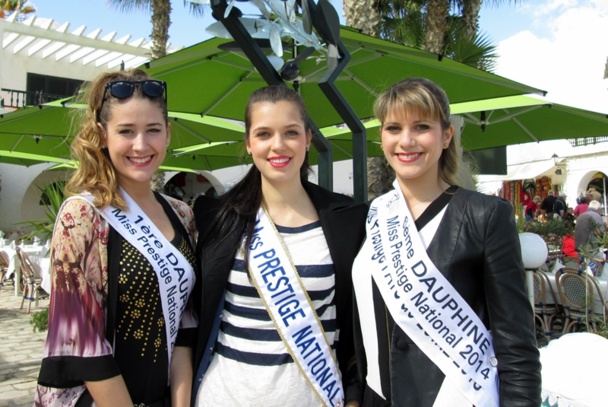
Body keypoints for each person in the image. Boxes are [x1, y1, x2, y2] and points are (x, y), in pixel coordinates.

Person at [351, 78, 541, 406]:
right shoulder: (372, 217)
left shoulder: (485, 216)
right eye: (393, 128)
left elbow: (516, 345)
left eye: (421, 127)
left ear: (446, 135)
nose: (406, 141)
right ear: (381, 138)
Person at [192, 85, 367, 407]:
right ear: (248, 143)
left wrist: (354, 395)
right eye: (263, 134)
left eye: (290, 132)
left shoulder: (349, 219)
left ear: (308, 138)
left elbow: (361, 327)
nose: (278, 145)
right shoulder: (215, 218)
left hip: (316, 396)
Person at [35, 69, 198, 406]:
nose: (141, 145)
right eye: (126, 131)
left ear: (167, 134)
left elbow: (185, 322)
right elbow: (81, 340)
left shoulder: (182, 214)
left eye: (153, 130)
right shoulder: (82, 216)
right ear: (102, 134)